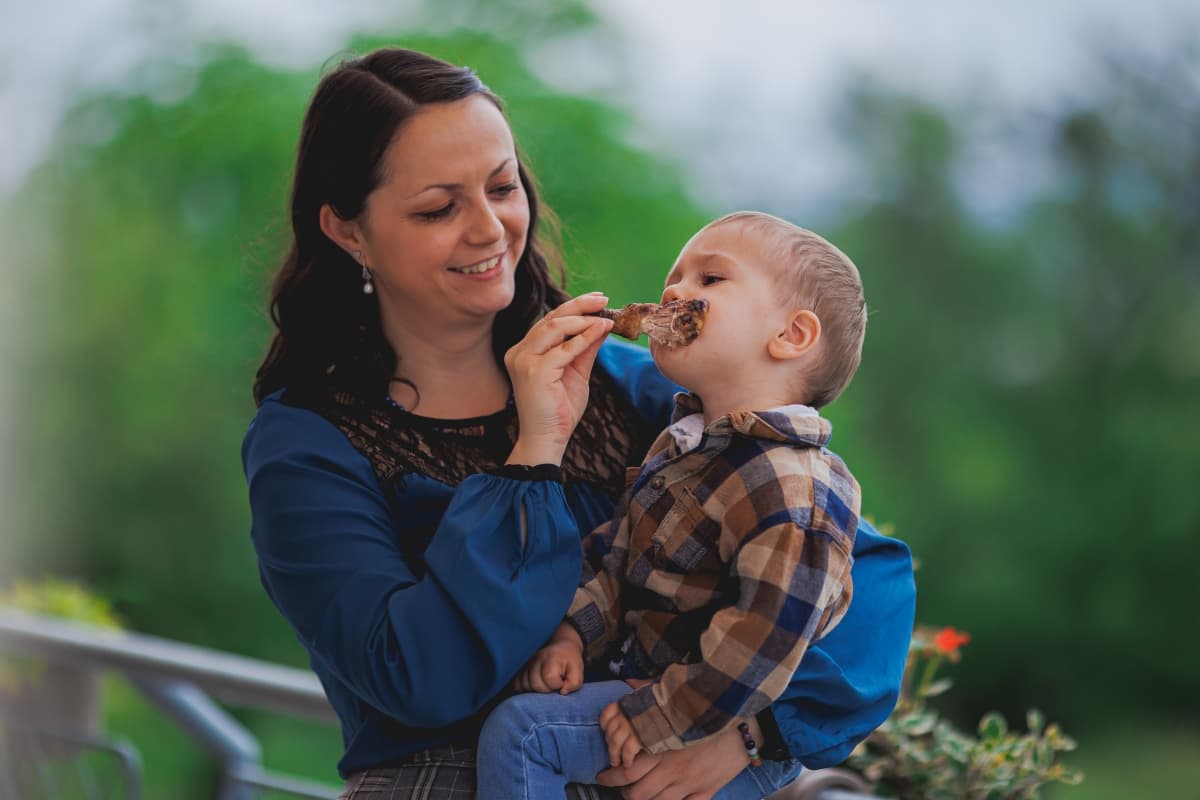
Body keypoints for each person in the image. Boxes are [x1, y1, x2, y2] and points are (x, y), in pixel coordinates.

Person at [242, 46, 916, 800]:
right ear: (348, 231)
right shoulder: (307, 443)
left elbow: (870, 578)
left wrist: (752, 735)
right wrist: (533, 457)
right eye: (438, 208)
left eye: (502, 188)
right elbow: (416, 677)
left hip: (661, 766)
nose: (489, 229)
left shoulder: (636, 386)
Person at [475, 213, 867, 800]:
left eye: (710, 279)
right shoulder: (683, 446)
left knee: (523, 733)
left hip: (710, 716)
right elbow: (619, 559)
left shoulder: (795, 487)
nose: (675, 292)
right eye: (673, 279)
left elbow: (765, 637)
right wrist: (572, 636)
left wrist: (663, 715)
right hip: (649, 685)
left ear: (791, 336)